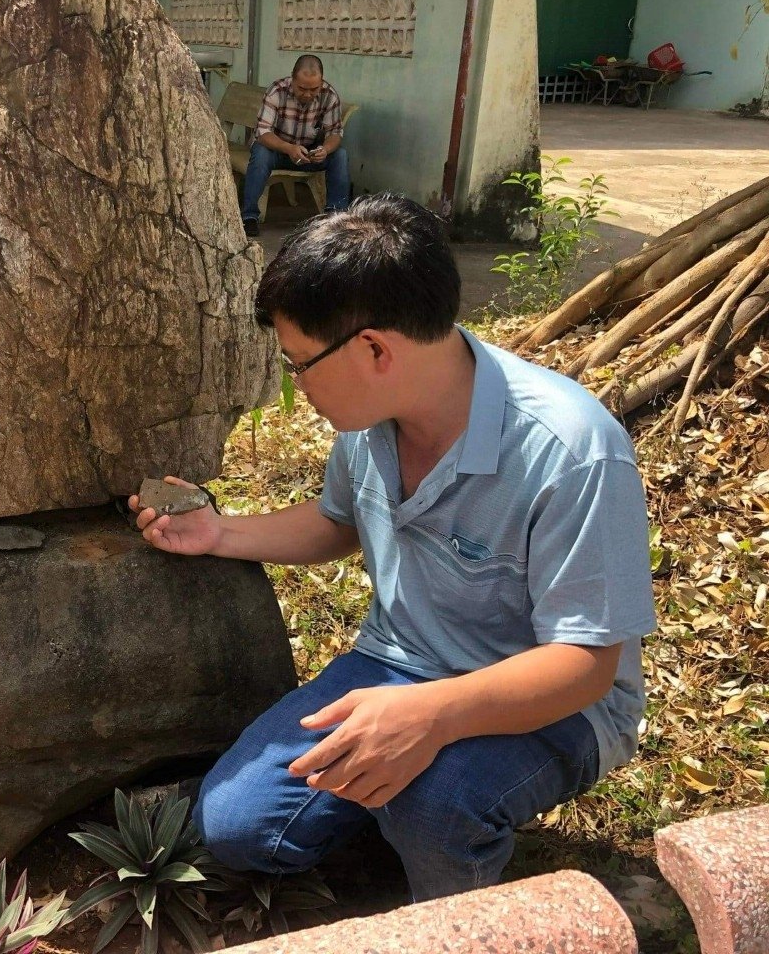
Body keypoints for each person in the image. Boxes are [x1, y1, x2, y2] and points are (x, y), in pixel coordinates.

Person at [130, 194, 656, 902]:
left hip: (552, 701)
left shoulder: (571, 451)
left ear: (375, 348)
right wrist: (220, 531)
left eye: (299, 365)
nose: (297, 385)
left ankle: (456, 914)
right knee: (234, 824)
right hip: (395, 666)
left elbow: (586, 668)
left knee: (436, 803)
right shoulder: (370, 417)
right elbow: (338, 521)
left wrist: (435, 715)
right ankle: (397, 819)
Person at [241, 55, 351, 238]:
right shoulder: (277, 91)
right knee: (260, 153)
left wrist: (325, 150)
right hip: (278, 151)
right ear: (292, 79)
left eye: (314, 89)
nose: (308, 94)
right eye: (302, 88)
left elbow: (335, 133)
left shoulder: (329, 95)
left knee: (340, 155)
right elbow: (262, 132)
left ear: (321, 82)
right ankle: (249, 217)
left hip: (308, 154)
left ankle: (335, 218)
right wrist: (289, 148)